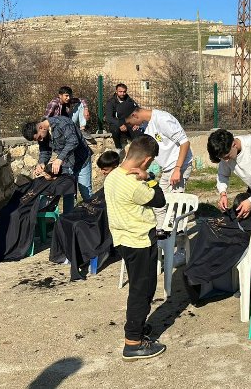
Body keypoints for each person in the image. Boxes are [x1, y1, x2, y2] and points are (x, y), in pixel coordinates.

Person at [104, 135, 167, 360]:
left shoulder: (112, 177)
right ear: (146, 160)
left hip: (122, 240)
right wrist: (150, 178)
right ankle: (133, 341)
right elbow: (159, 200)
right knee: (142, 291)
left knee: (139, 288)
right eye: (150, 164)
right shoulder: (134, 184)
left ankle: (138, 326)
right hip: (140, 241)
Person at [123, 103, 193, 236]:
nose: (132, 126)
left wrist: (178, 169)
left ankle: (178, 234)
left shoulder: (162, 119)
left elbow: (185, 142)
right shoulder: (146, 124)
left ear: (135, 115)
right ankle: (163, 229)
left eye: (131, 122)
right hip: (168, 168)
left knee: (175, 201)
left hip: (178, 165)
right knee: (161, 199)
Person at [22, 114, 93, 208]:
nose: (41, 140)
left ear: (41, 127)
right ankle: (68, 219)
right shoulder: (43, 133)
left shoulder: (63, 123)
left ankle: (94, 216)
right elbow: (45, 151)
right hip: (67, 164)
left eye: (39, 137)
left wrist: (59, 158)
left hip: (82, 160)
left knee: (85, 192)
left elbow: (73, 141)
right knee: (68, 193)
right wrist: (41, 163)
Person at [104, 83, 141, 151]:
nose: (122, 93)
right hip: (116, 123)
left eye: (124, 92)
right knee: (114, 129)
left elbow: (138, 112)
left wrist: (138, 123)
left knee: (139, 134)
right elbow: (109, 117)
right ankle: (118, 148)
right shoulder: (111, 102)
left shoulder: (130, 101)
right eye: (120, 91)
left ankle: (138, 151)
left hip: (128, 123)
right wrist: (120, 124)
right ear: (116, 91)